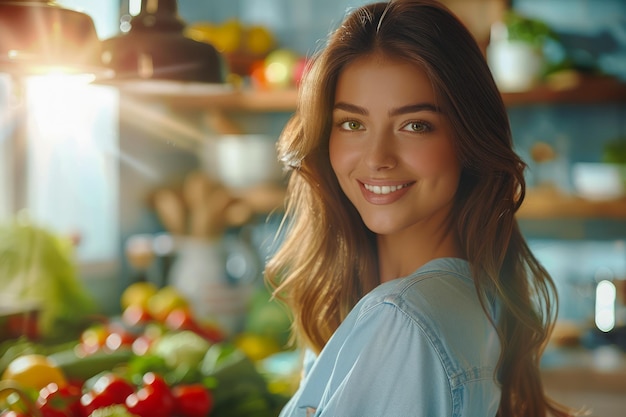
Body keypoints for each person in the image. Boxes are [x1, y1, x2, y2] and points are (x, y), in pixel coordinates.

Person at [264, 1, 577, 416]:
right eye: (352, 124)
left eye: (415, 125)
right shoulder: (479, 292)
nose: (377, 158)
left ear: (468, 140)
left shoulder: (402, 318)